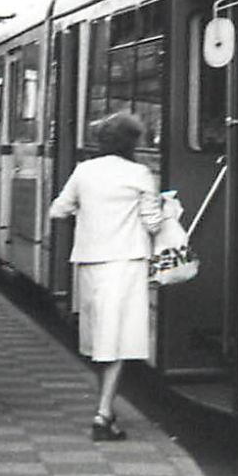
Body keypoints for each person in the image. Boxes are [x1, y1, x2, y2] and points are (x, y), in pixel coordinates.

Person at [49, 112, 163, 441]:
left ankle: (107, 411)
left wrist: (87, 214)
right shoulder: (139, 173)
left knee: (100, 341)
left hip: (89, 263)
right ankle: (102, 415)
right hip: (125, 264)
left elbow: (58, 209)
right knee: (117, 341)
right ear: (133, 142)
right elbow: (152, 223)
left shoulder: (85, 171)